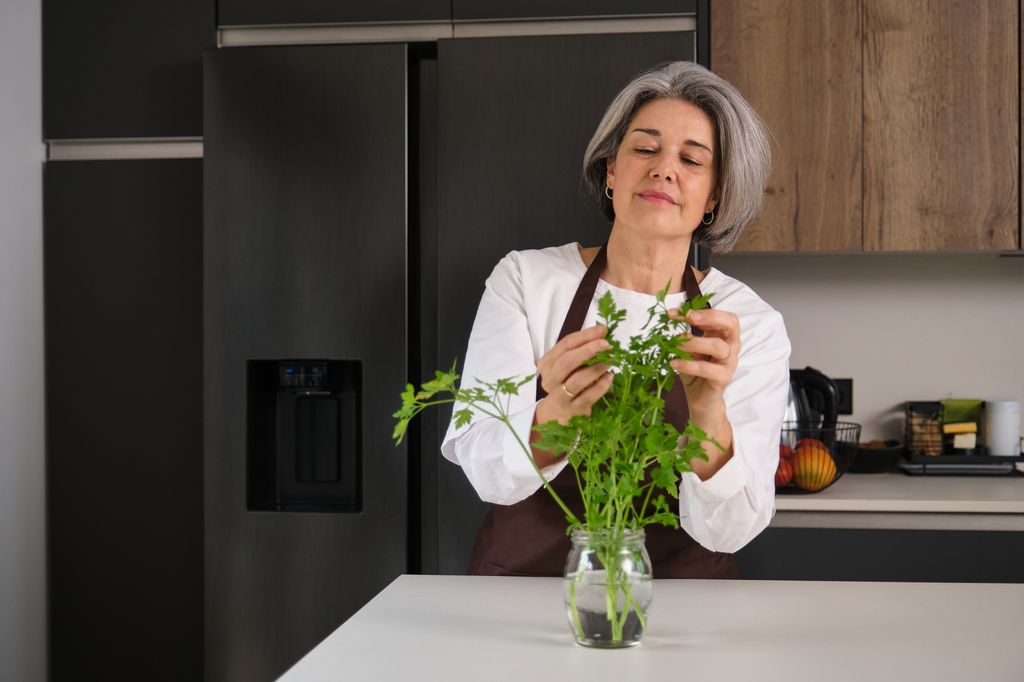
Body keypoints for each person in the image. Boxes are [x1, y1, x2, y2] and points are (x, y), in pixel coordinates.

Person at [441, 61, 791, 578]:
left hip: (683, 609)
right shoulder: (526, 281)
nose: (663, 169)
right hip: (525, 600)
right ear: (611, 170)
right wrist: (555, 414)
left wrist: (708, 411)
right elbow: (484, 468)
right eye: (645, 149)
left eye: (692, 160)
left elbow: (730, 531)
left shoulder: (745, 323)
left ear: (714, 198)